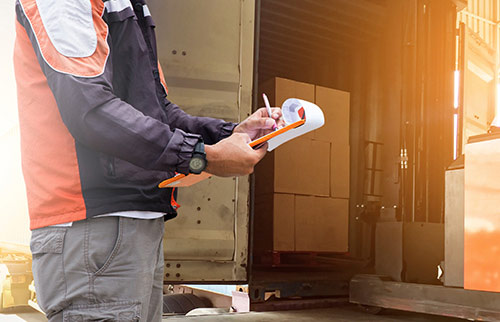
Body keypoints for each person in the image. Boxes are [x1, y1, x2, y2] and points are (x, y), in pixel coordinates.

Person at [13, 0, 281, 321]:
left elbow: (159, 110)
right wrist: (201, 157)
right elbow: (91, 110)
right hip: (93, 228)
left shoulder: (129, 5)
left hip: (131, 230)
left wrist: (229, 133)